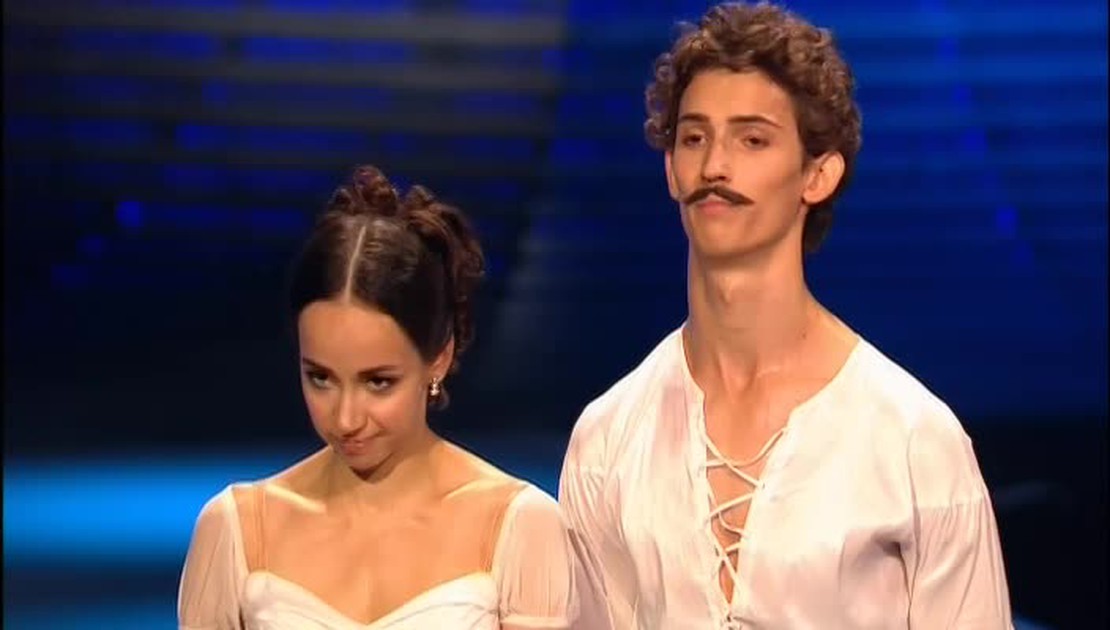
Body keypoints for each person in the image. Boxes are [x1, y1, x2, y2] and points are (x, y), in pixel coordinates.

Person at [558, 2, 1013, 628]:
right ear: (670, 170)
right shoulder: (608, 437)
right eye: (694, 138)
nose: (714, 167)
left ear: (818, 175)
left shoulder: (914, 440)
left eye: (752, 139)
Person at [178, 165, 579, 629]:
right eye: (321, 378)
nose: (346, 418)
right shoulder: (237, 530)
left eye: (378, 382)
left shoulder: (520, 526)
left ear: (439, 357)